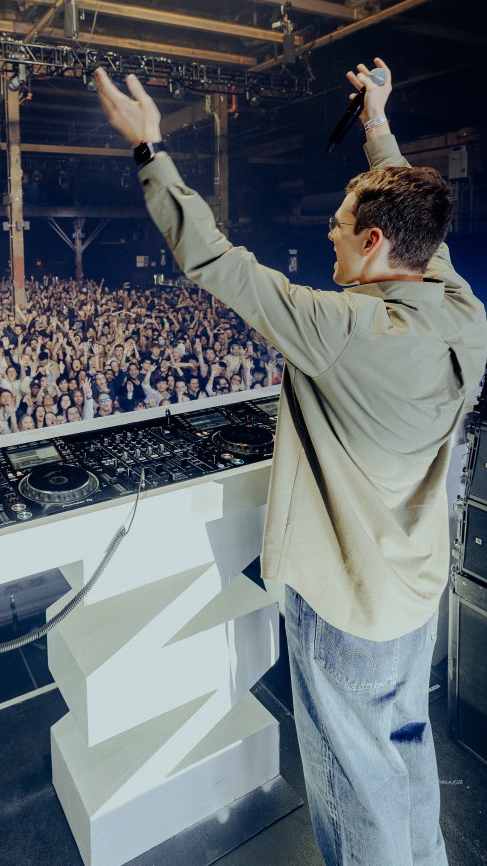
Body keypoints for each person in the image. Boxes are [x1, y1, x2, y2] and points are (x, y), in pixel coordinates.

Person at [95, 58, 487, 866]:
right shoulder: (460, 310)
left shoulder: (344, 329)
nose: (329, 234)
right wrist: (376, 120)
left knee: (354, 780)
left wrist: (149, 152)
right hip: (413, 590)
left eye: (342, 226)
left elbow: (214, 261)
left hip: (346, 604)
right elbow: (417, 220)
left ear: (374, 243)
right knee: (404, 747)